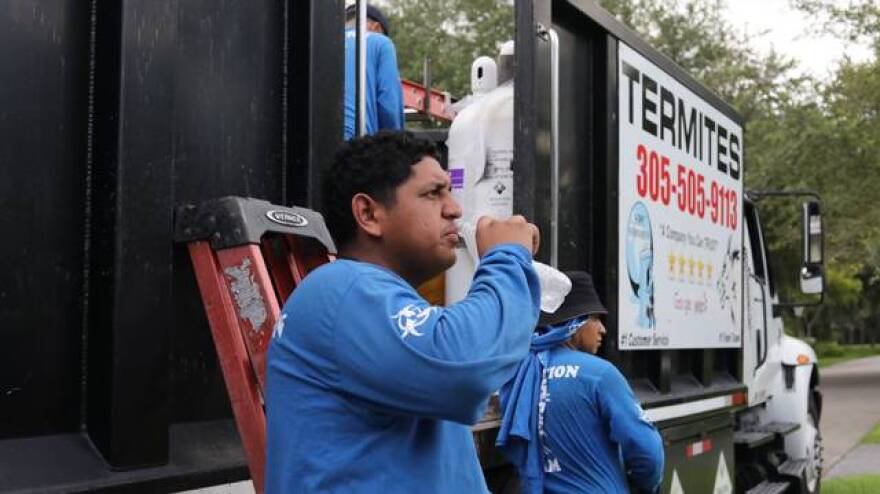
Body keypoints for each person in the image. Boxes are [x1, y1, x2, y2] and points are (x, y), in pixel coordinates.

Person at [265, 131, 542, 493]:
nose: (455, 208)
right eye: (433, 193)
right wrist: (506, 258)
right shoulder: (342, 290)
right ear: (369, 214)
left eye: (450, 191)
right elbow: (465, 366)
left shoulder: (375, 298)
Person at [497, 271, 665, 493]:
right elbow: (647, 450)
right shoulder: (599, 374)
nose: (602, 329)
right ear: (574, 323)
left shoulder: (520, 375)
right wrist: (641, 487)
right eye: (594, 318)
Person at [343, 4, 404, 140]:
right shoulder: (381, 42)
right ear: (376, 27)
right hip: (355, 144)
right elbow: (389, 105)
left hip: (313, 143)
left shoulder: (325, 42)